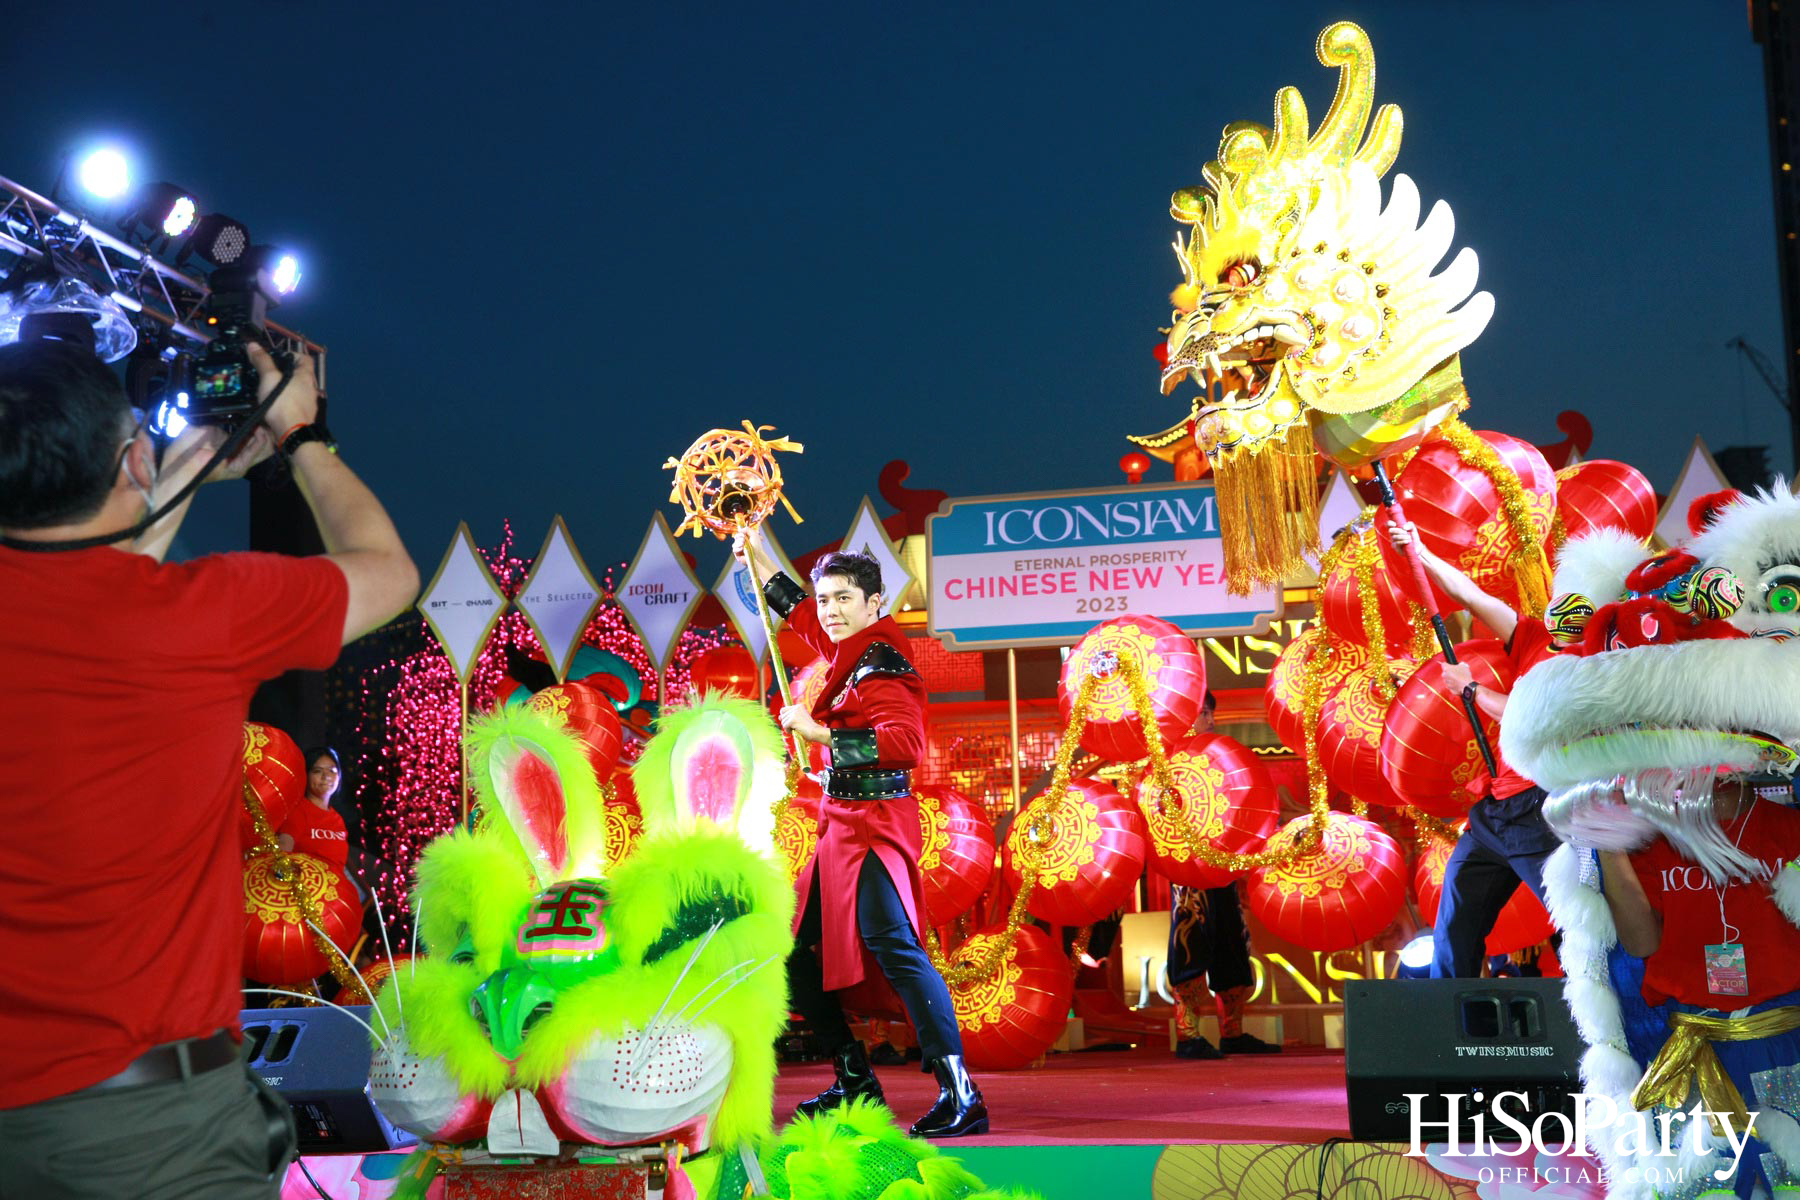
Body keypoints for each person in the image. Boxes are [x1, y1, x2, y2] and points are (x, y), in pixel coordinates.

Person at [0, 337, 419, 1199]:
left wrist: (167, 477)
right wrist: (303, 438)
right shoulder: (205, 617)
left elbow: (81, 589)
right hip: (155, 1136)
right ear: (130, 458)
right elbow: (387, 571)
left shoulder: (166, 618)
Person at [734, 529, 987, 1138]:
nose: (830, 611)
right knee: (792, 954)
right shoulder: (851, 645)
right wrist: (753, 544)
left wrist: (817, 735)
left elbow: (904, 745)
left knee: (896, 949)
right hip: (840, 827)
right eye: (827, 600)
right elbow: (793, 608)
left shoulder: (881, 663)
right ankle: (854, 1079)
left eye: (844, 598)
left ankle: (962, 1092)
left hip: (874, 826)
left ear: (876, 603)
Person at [1598, 779, 1800, 1200]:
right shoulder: (1650, 840)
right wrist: (1607, 844)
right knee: (1702, 1190)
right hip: (1693, 1050)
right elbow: (1640, 944)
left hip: (1787, 1046)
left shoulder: (1790, 827)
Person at [1388, 519, 1559, 979]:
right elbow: (1471, 595)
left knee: (1579, 923)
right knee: (1455, 928)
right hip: (1494, 812)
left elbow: (1535, 715)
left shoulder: (1588, 656)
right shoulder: (1537, 637)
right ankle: (1452, 1026)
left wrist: (1470, 690)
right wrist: (1420, 552)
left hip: (1543, 809)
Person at [1167, 693, 1280, 1057]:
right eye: (1202, 712)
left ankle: (1233, 1031)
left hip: (1223, 863)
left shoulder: (1221, 757)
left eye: (1210, 712)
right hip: (1187, 868)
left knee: (1233, 942)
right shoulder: (1168, 764)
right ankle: (1188, 1035)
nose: (1210, 719)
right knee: (1190, 943)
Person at [275, 746, 351, 869]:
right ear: (306, 775)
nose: (326, 776)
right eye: (317, 771)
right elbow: (283, 850)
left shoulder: (338, 820)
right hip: (307, 885)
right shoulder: (298, 810)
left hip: (334, 885)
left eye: (332, 770)